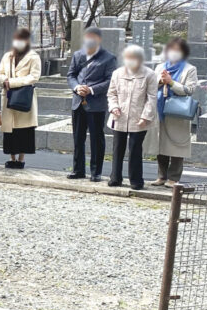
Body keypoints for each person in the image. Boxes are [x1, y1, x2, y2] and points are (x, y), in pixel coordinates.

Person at [66, 27, 117, 182]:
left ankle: (96, 172)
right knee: (78, 138)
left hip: (96, 103)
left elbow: (110, 81)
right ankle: (78, 169)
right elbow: (71, 74)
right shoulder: (78, 54)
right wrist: (76, 87)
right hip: (78, 102)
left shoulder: (108, 58)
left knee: (96, 139)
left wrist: (91, 89)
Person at [106, 45, 157, 190]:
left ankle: (136, 180)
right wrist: (113, 106)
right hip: (119, 116)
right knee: (117, 147)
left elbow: (152, 98)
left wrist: (146, 116)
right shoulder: (117, 73)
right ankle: (115, 177)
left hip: (138, 117)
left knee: (135, 148)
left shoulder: (150, 74)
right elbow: (112, 93)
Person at [152, 38, 199, 187]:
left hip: (178, 112)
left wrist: (171, 82)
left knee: (177, 145)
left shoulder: (189, 69)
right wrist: (161, 81)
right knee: (161, 145)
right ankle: (161, 176)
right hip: (161, 110)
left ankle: (174, 177)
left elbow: (189, 90)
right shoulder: (160, 67)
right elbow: (151, 85)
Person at [0, 28, 42, 169]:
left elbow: (34, 77)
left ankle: (21, 159)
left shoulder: (33, 57)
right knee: (10, 129)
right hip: (9, 95)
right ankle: (12, 157)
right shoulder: (8, 56)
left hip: (23, 95)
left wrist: (12, 82)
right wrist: (4, 80)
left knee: (24, 130)